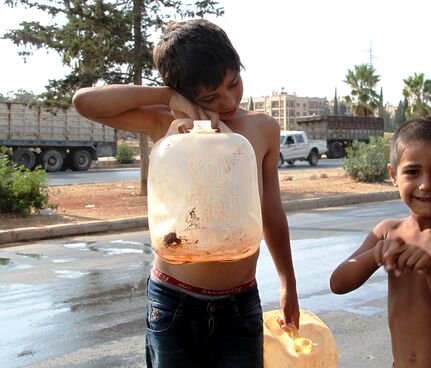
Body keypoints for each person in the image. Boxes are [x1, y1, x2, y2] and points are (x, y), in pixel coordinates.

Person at [72, 19, 299, 367]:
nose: (228, 100)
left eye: (233, 82)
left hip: (240, 303)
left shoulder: (263, 128)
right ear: (185, 92)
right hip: (173, 301)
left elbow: (271, 212)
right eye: (210, 96)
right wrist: (166, 97)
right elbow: (85, 102)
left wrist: (288, 283)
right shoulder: (167, 124)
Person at [330, 117, 431, 368]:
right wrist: (373, 256)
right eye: (413, 172)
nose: (426, 184)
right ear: (394, 175)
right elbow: (337, 284)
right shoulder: (386, 231)